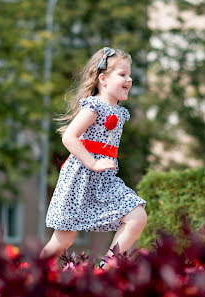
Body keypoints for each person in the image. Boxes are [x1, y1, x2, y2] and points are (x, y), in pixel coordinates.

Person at [40, 47, 147, 265]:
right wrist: (93, 162)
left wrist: (101, 165)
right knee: (63, 239)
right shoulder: (94, 107)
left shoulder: (119, 112)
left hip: (105, 180)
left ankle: (106, 268)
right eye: (122, 74)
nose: (129, 79)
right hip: (80, 178)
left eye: (130, 75)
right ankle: (31, 275)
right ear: (103, 79)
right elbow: (69, 137)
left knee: (137, 216)